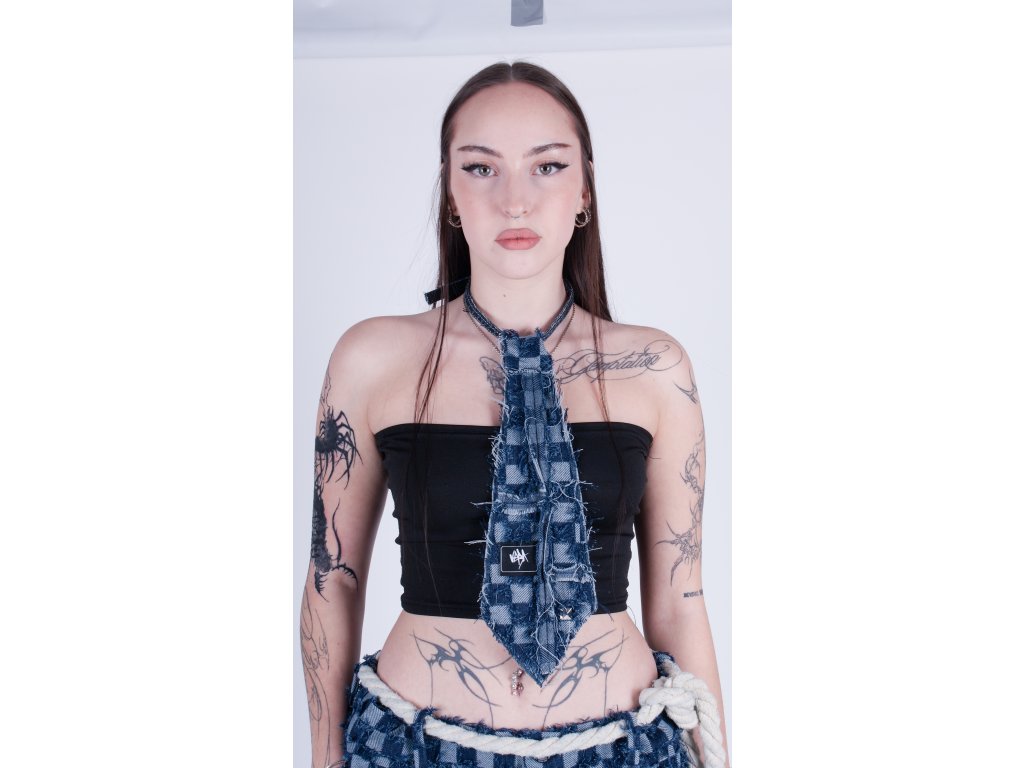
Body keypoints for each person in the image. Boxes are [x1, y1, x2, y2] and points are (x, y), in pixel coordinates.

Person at [300, 61, 729, 768]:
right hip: (415, 748)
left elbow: (681, 602)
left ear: (584, 190)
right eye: (481, 169)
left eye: (547, 167)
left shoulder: (655, 368)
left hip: (620, 749)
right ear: (450, 193)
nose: (515, 202)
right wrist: (323, 758)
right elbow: (331, 583)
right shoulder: (372, 359)